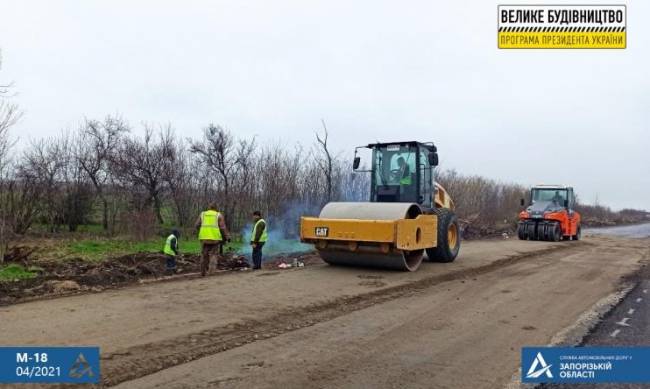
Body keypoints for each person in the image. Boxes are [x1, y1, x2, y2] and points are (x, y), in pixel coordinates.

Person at [195, 203, 230, 276]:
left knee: (204, 255)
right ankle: (211, 272)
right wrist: (227, 237)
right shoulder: (218, 215)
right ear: (216, 208)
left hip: (204, 238)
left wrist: (201, 231)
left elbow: (197, 225)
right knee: (213, 255)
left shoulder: (203, 214)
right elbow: (223, 228)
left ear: (209, 207)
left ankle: (202, 272)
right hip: (214, 239)